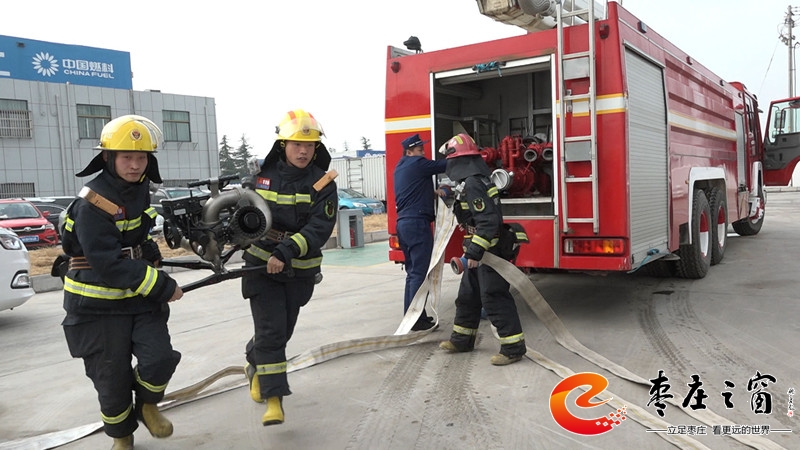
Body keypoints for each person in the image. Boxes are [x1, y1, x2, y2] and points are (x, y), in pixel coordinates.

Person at [57, 115, 183, 450]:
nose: (135, 164)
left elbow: (136, 234)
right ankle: (122, 437)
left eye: (141, 157)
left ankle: (147, 405)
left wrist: (149, 250)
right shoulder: (93, 201)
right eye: (127, 157)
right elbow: (108, 264)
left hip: (137, 299)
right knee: (111, 380)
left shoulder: (140, 190)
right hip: (96, 307)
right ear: (108, 158)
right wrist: (163, 286)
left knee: (159, 359)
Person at [241, 109, 338, 426]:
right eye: (297, 144)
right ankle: (274, 399)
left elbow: (319, 228)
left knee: (281, 331)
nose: (303, 151)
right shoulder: (262, 177)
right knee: (271, 331)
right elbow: (245, 216)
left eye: (309, 145)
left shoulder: (322, 182)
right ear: (283, 145)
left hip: (299, 270)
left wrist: (285, 251)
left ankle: (255, 363)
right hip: (260, 266)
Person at [437, 133, 528, 366]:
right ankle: (462, 340)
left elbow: (488, 222)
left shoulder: (474, 183)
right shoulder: (474, 181)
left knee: (494, 297)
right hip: (480, 249)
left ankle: (513, 348)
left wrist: (473, 254)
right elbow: (474, 215)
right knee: (468, 296)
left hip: (490, 252)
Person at [393, 133, 449, 331]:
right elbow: (444, 165)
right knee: (420, 273)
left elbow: (412, 189)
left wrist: (432, 192)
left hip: (404, 224)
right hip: (417, 225)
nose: (423, 153)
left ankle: (412, 316)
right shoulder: (417, 163)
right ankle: (416, 319)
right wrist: (461, 154)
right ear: (409, 152)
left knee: (412, 273)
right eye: (419, 150)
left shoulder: (400, 167)